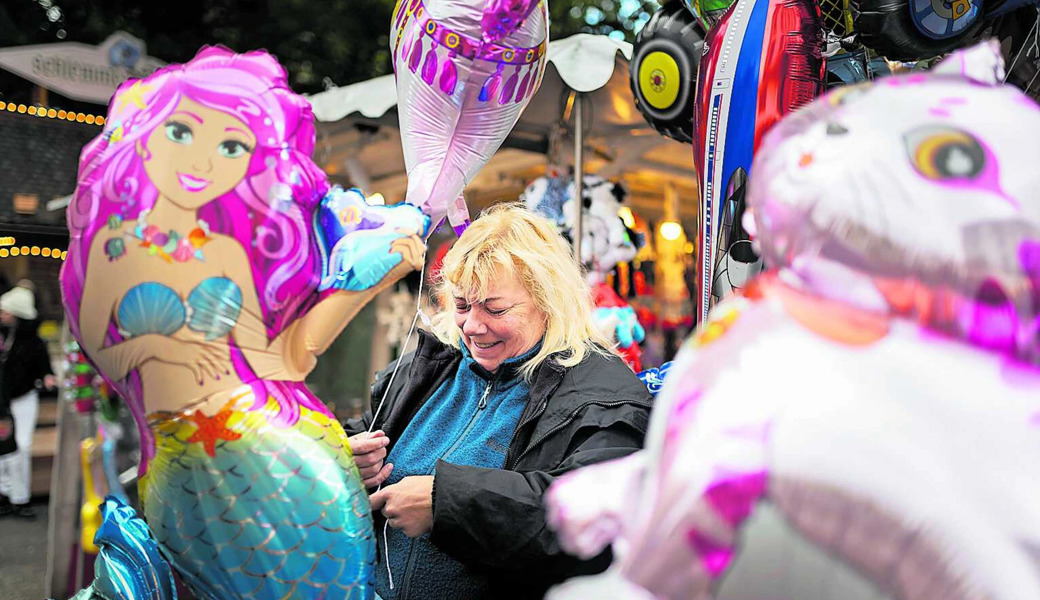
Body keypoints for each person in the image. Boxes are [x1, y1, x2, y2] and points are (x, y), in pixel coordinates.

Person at [61, 47, 425, 600]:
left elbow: (291, 359)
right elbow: (108, 353)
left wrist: (373, 278)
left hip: (304, 460)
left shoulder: (232, 252)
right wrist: (163, 346)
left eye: (230, 146)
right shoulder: (114, 247)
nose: (202, 163)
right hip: (202, 468)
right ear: (145, 135)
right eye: (182, 133)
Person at [345, 204, 654, 600]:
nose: (473, 326)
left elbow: (594, 517)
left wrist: (448, 502)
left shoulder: (603, 394)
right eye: (461, 305)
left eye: (495, 308)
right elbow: (366, 429)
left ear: (548, 302)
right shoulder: (427, 368)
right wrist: (346, 456)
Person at [0, 285, 55, 519]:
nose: (2, 313)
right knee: (3, 447)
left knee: (21, 446)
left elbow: (45, 367)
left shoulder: (34, 342)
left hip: (23, 399)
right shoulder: (3, 336)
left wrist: (47, 377)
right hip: (3, 400)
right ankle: (5, 494)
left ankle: (20, 497)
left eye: (6, 310)